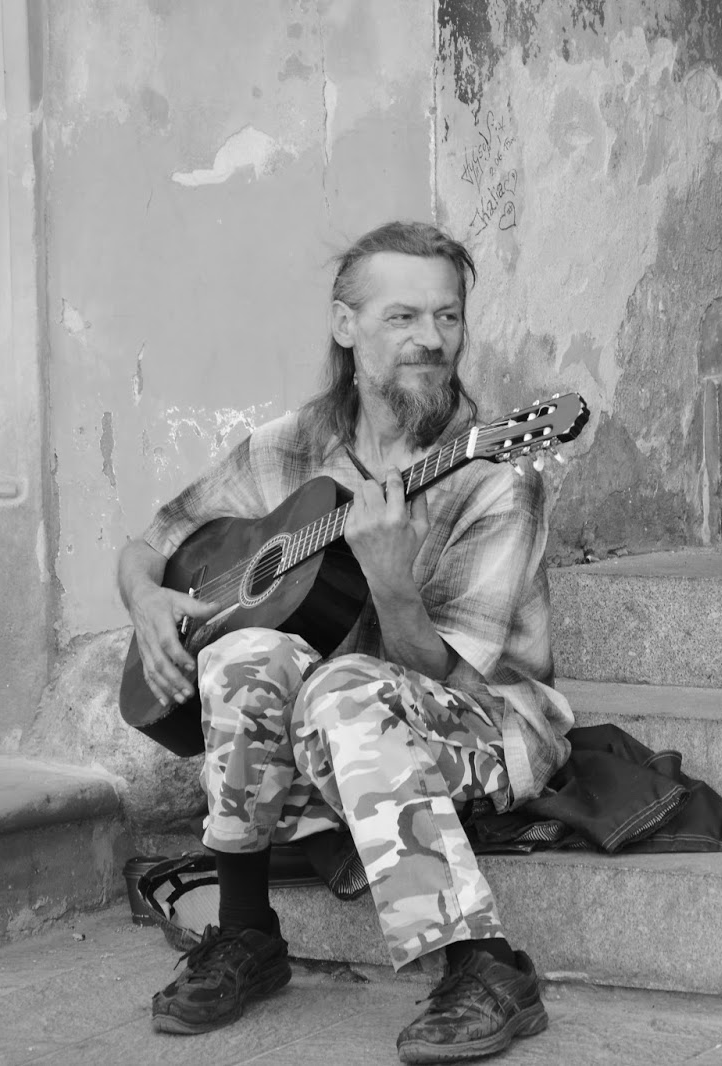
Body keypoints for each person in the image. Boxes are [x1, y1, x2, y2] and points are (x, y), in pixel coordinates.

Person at [116, 221, 570, 1062]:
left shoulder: (494, 476)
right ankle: (246, 933)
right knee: (244, 654)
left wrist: (392, 580)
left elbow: (451, 676)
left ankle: (485, 966)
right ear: (345, 326)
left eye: (448, 317)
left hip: (484, 722)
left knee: (341, 688)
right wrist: (146, 600)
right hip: (333, 731)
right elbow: (152, 541)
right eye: (402, 317)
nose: (431, 340)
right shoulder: (286, 447)